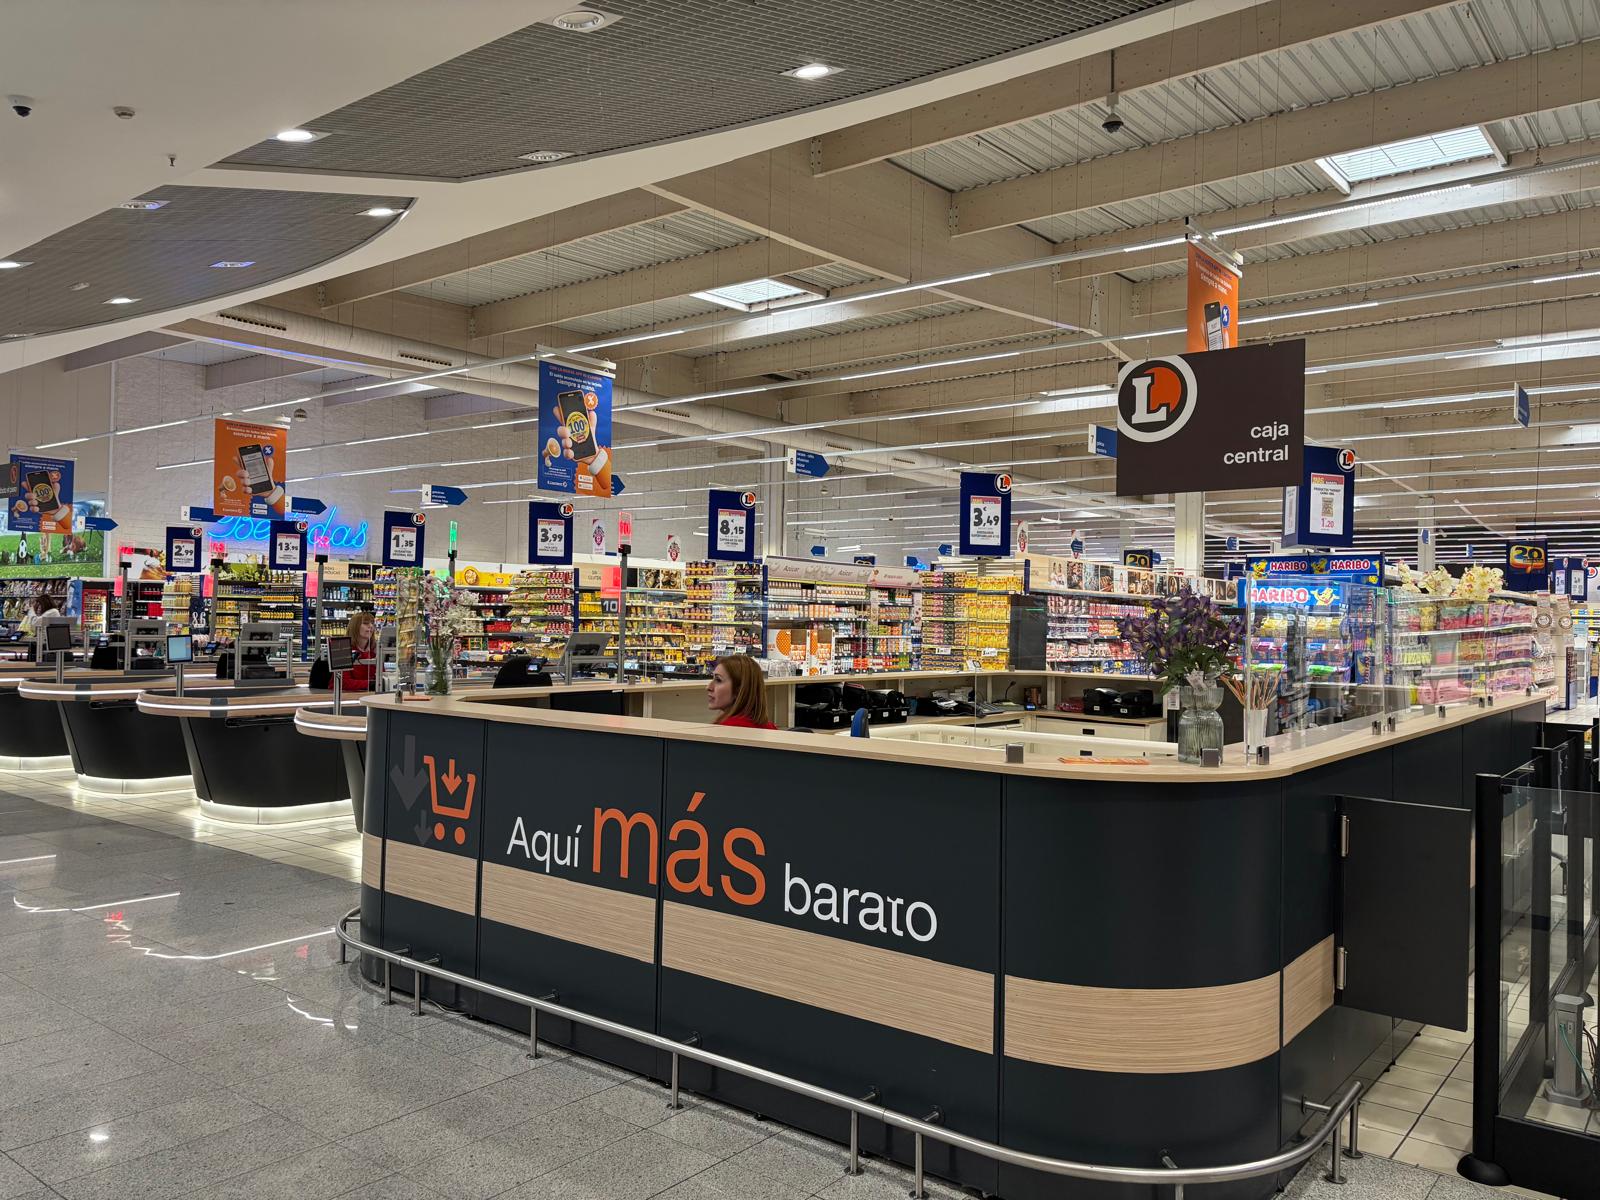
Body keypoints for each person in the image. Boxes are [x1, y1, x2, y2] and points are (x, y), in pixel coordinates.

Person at [707, 655, 776, 729]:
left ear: (739, 689)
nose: (708, 687)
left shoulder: (726, 728)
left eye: (718, 680)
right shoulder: (770, 727)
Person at [341, 611, 378, 693]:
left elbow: (381, 676)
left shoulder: (374, 651)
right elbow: (343, 682)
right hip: (347, 696)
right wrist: (371, 684)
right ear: (355, 627)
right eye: (365, 623)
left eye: (372, 623)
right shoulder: (344, 649)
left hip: (369, 695)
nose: (371, 626)